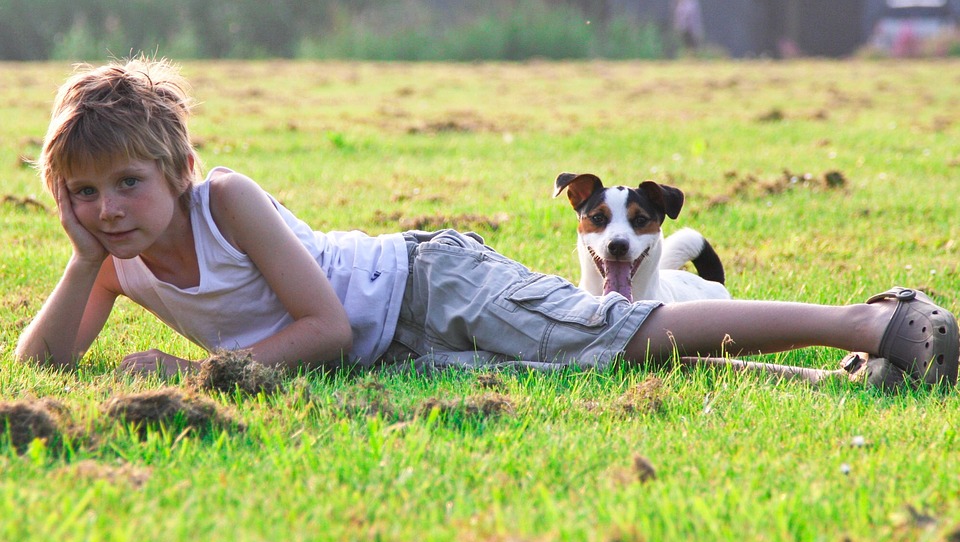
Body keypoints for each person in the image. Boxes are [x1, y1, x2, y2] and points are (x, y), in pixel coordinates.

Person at [14, 57, 960, 390]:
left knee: (615, 331)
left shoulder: (226, 200)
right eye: (85, 193)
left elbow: (326, 330)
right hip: (401, 351)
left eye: (127, 184)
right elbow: (44, 368)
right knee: (591, 363)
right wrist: (79, 261)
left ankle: (882, 323)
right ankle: (836, 376)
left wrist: (199, 372)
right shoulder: (115, 261)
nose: (109, 209)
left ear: (176, 171)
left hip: (427, 285)